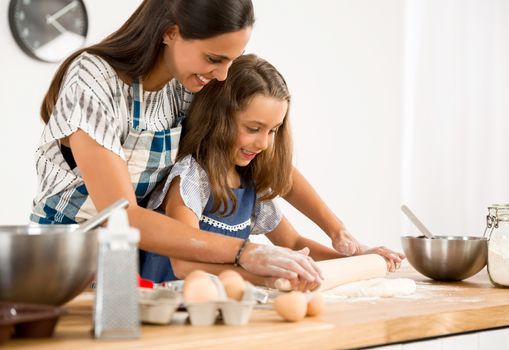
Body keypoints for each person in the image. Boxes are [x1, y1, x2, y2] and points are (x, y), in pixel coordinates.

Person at [141, 54, 405, 290]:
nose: (264, 143)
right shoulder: (191, 179)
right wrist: (261, 277)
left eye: (273, 130)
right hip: (166, 309)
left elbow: (291, 243)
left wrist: (356, 260)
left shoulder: (249, 181)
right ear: (218, 118)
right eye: (253, 128)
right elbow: (183, 264)